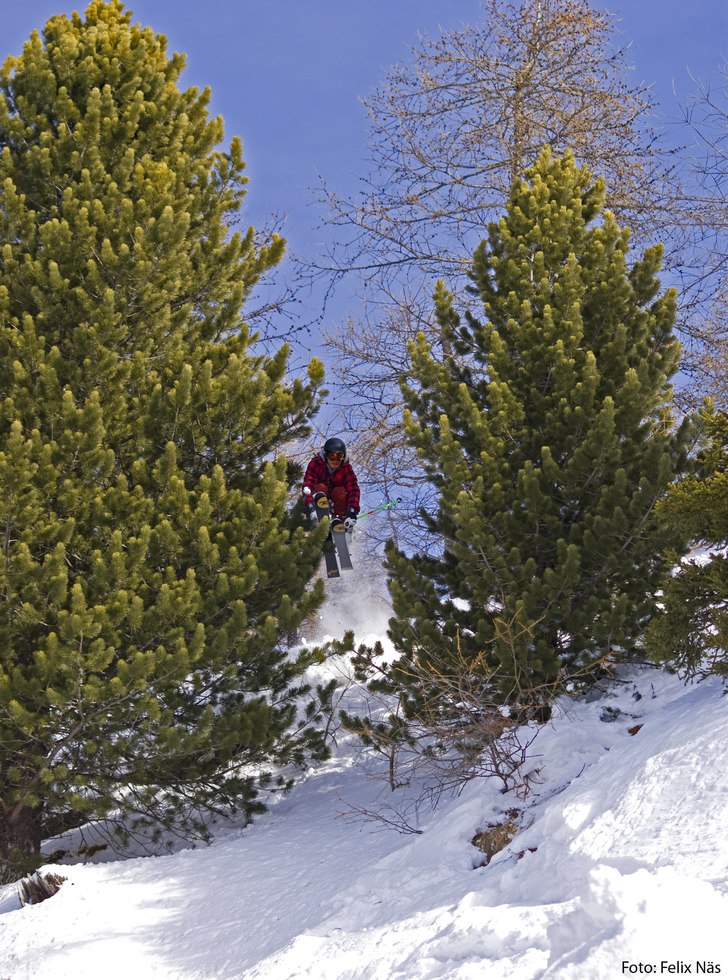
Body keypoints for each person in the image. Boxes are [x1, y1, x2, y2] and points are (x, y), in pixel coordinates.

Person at [302, 437, 360, 529]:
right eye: (332, 456)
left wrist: (352, 510)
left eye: (339, 456)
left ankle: (340, 521)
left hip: (338, 503)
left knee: (340, 491)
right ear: (325, 455)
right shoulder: (315, 464)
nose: (335, 460)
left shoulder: (346, 468)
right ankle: (320, 516)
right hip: (319, 500)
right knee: (321, 488)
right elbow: (308, 485)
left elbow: (353, 489)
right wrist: (310, 505)